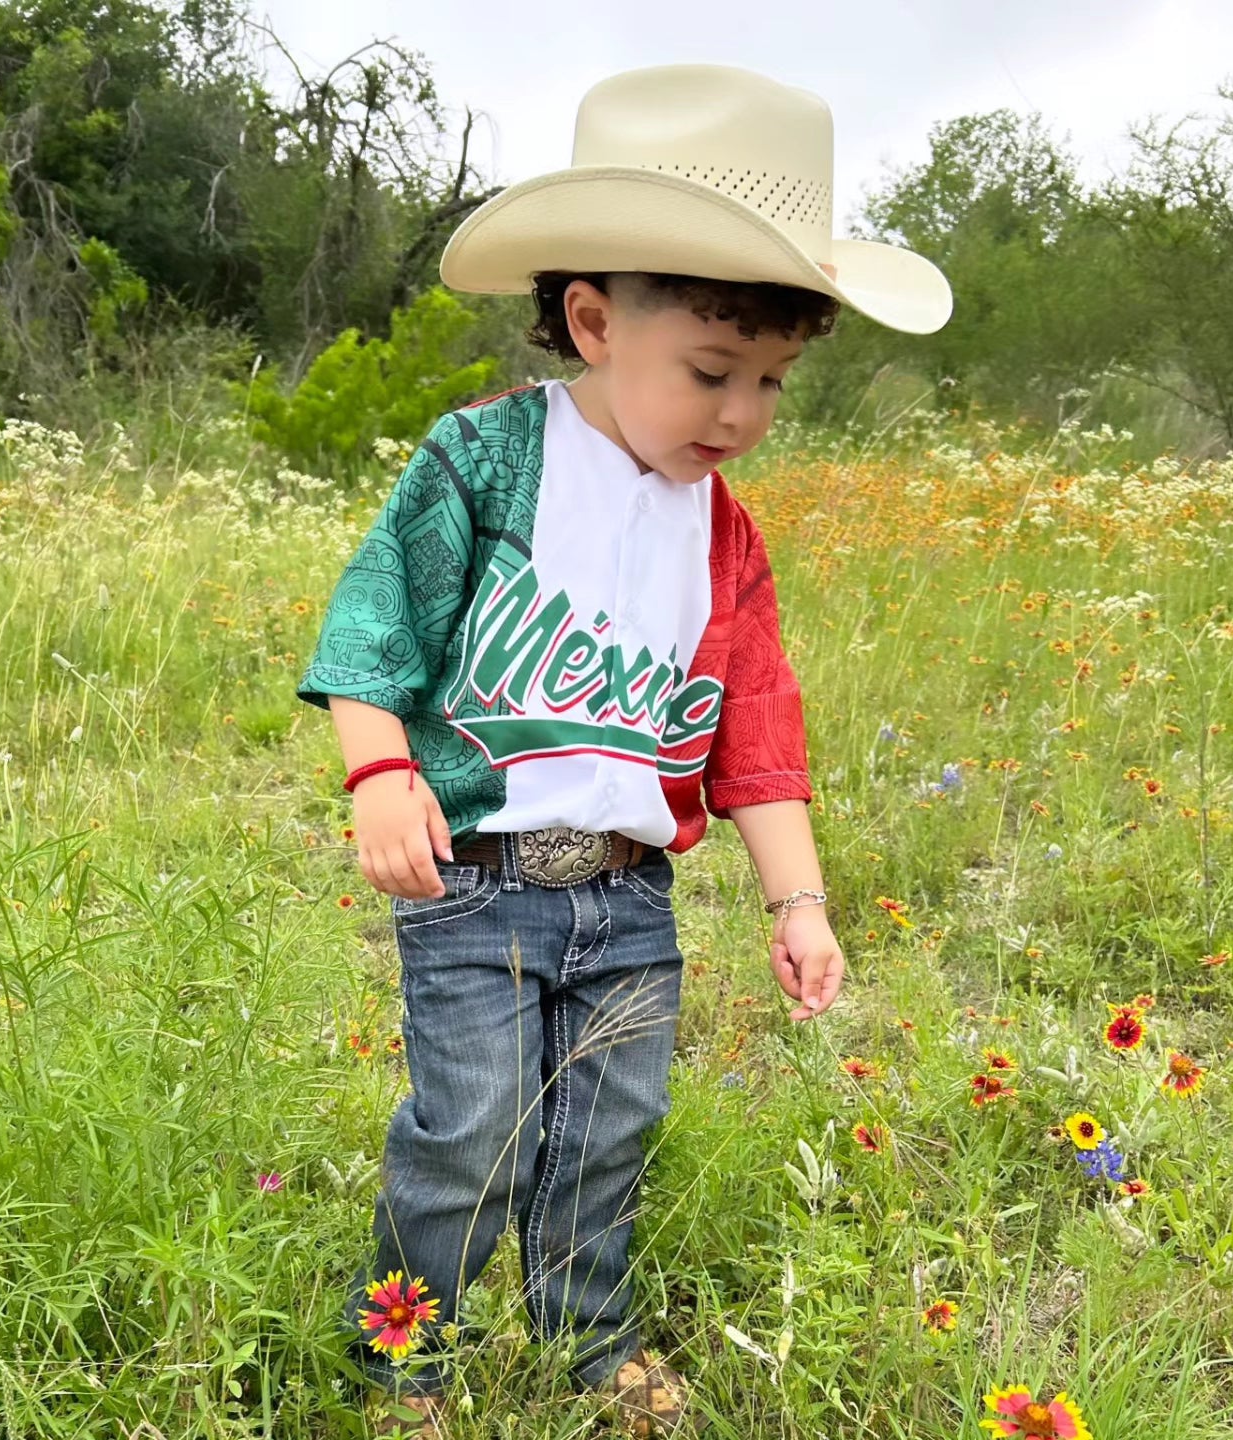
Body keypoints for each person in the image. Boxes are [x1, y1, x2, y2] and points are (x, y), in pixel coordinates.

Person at [296, 63, 951, 1438]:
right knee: (470, 1132)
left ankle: (588, 1342)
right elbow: (375, 627)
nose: (744, 415)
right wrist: (378, 770)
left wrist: (802, 899)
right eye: (713, 372)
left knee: (605, 1133)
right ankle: (400, 1357)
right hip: (475, 882)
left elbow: (759, 738)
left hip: (629, 897)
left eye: (771, 379)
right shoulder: (485, 463)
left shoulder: (725, 538)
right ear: (593, 321)